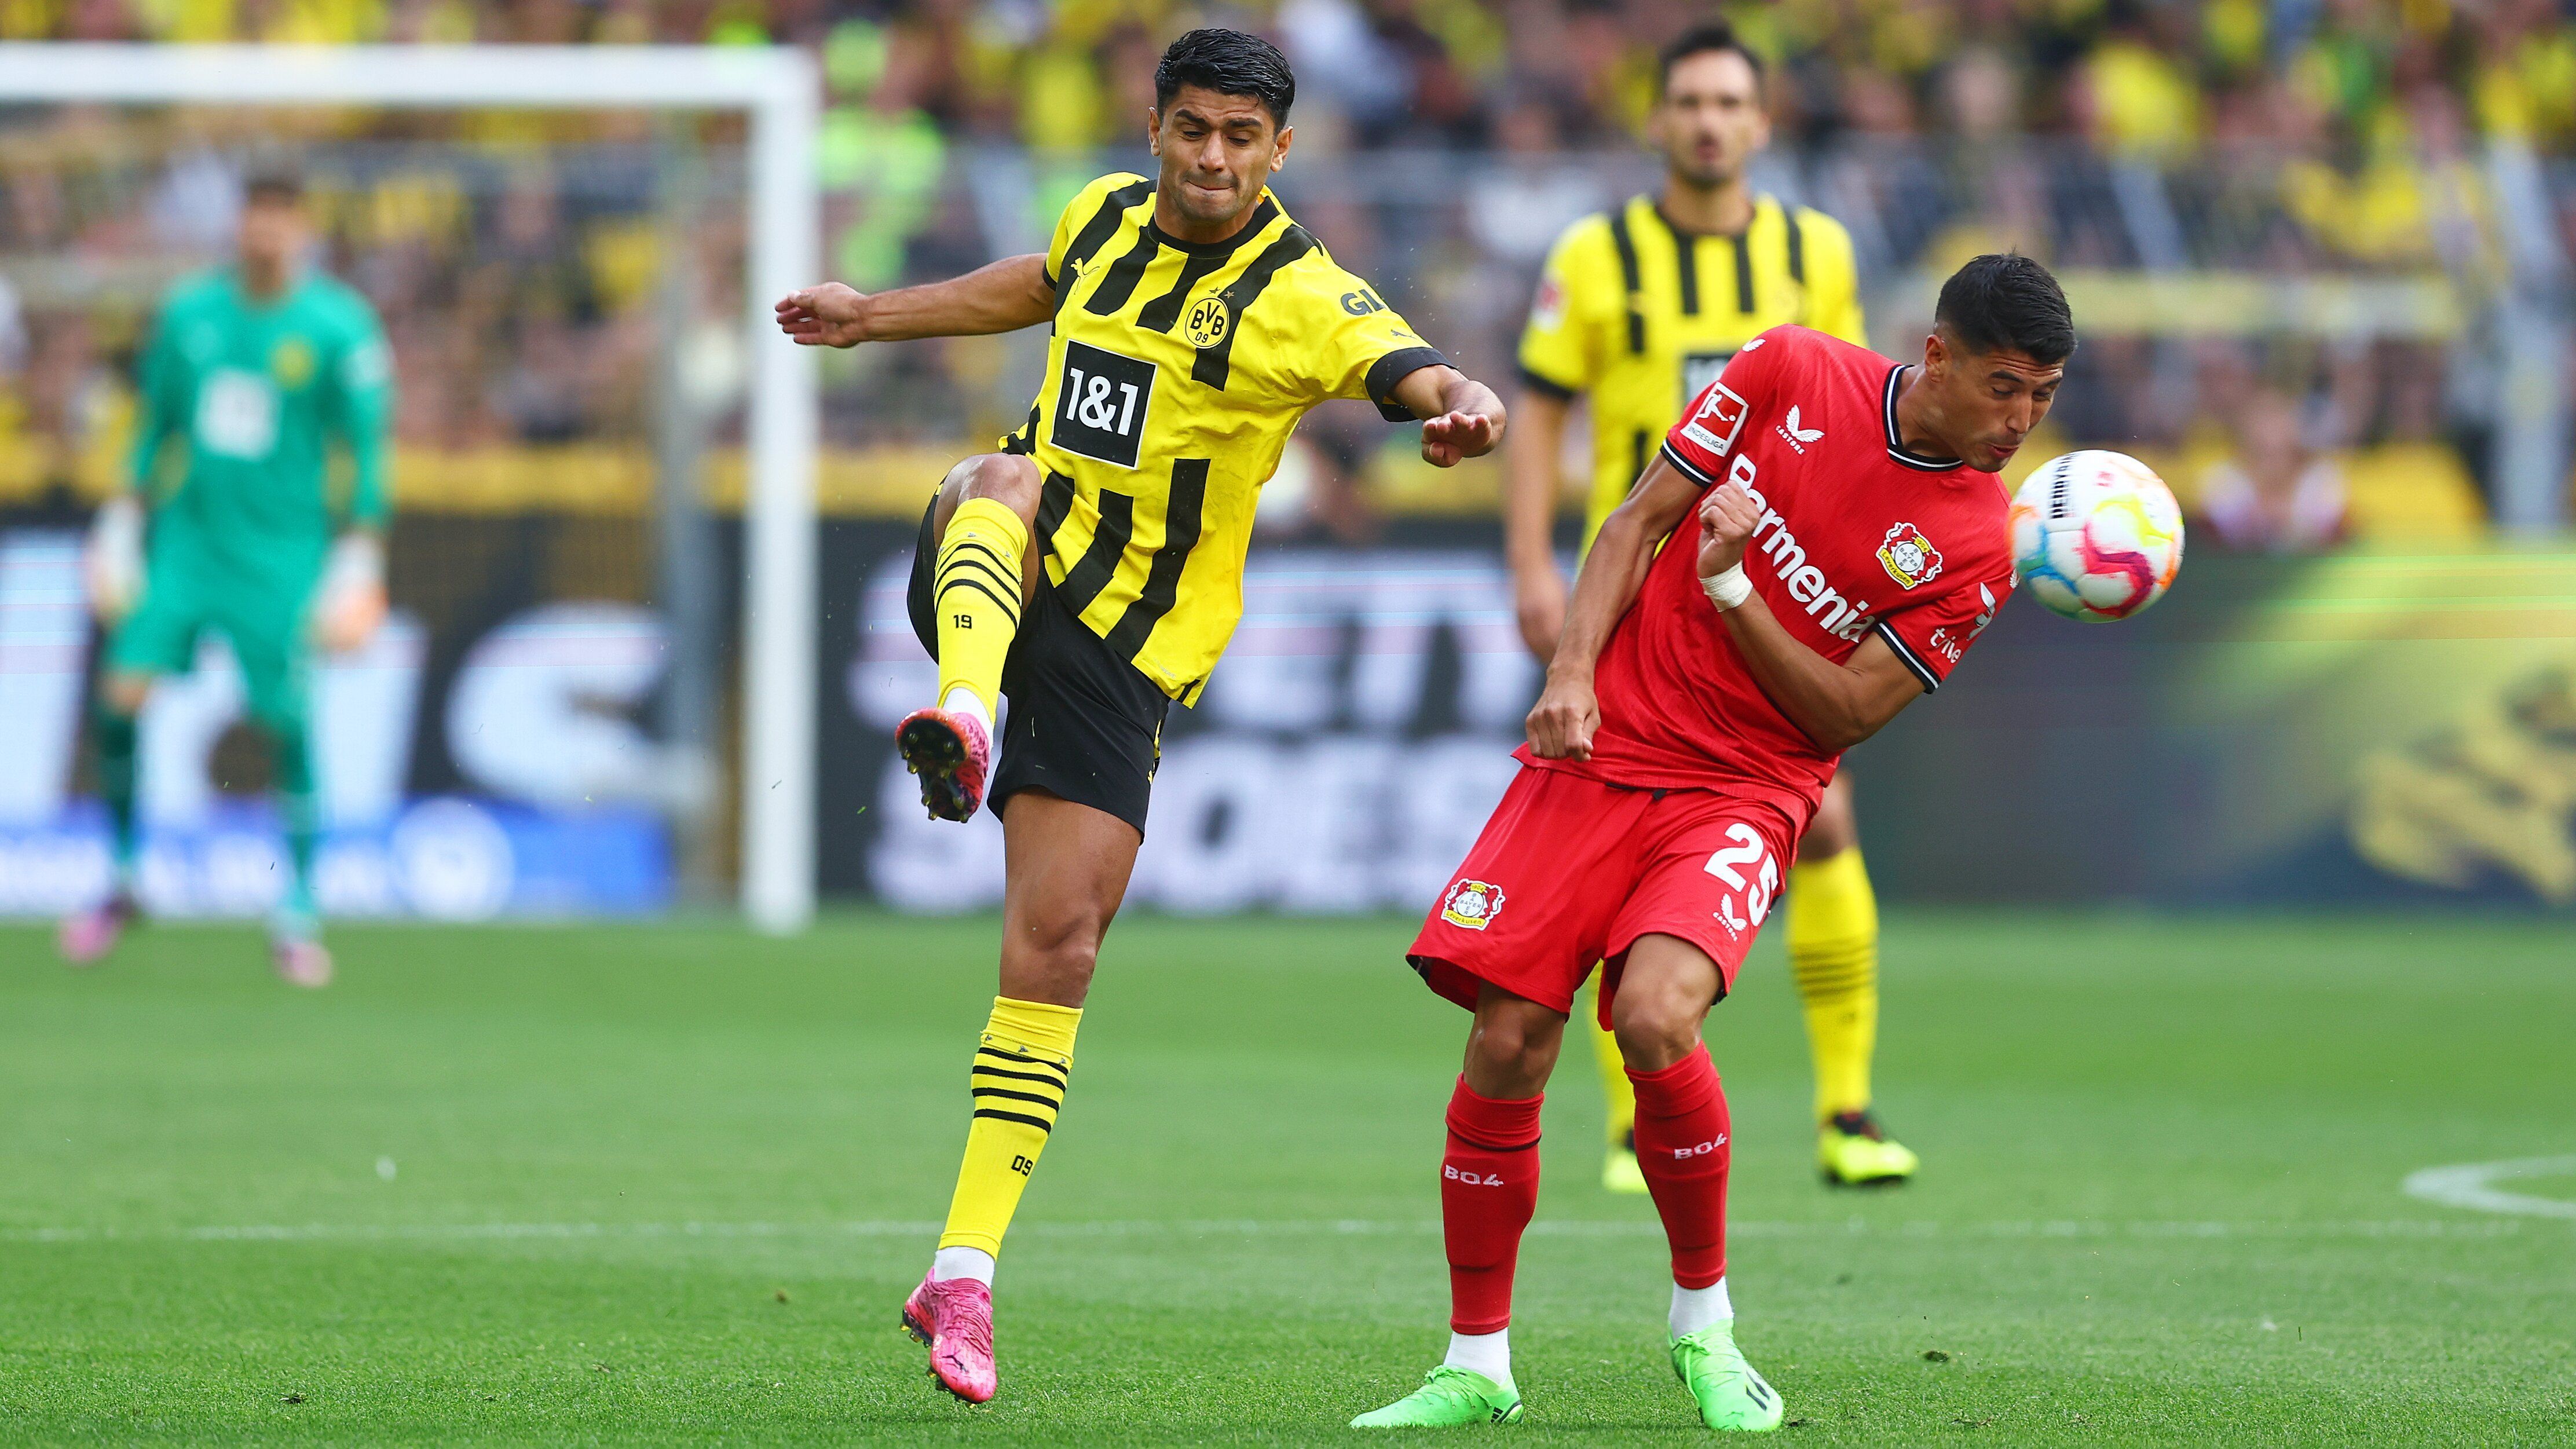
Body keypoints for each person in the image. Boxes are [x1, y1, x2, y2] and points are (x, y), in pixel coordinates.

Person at [774, 28, 1506, 1406]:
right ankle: (965, 711)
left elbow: (1402, 360)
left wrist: (1461, 404)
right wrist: (875, 314)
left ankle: (964, 1273)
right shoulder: (1102, 216)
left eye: (1242, 137)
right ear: (1154, 126)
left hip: (1133, 659)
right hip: (1011, 575)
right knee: (1000, 472)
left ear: (1280, 149)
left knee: (1055, 951)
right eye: (1192, 129)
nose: (1214, 158)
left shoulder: (1299, 291)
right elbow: (1036, 286)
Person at [1354, 255, 2069, 1432]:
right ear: (1935, 354)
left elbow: (1838, 717)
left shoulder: (1980, 545)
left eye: (2043, 395)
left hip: (1744, 786)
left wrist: (1735, 588)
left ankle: (1705, 1327)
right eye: (2005, 387)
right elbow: (1638, 521)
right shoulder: (1788, 368)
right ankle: (1475, 1363)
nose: (2021, 420)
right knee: (1507, 1042)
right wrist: (1571, 673)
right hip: (1601, 749)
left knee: (1654, 1014)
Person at [1507, 21, 1916, 1195]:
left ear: (1760, 123)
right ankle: (1634, 1127)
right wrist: (1535, 563)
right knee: (1608, 843)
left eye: (1728, 102)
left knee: (1827, 823)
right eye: (1686, 100)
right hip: (1638, 586)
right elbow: (1539, 411)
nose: (1705, 120)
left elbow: (1852, 424)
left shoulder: (1813, 251)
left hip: (1769, 585)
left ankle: (1847, 1108)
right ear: (1655, 120)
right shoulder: (1592, 255)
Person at [59, 164, 394, 987]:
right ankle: (128, 875)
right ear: (239, 223)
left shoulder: (339, 328)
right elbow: (155, 428)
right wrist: (122, 518)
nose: (265, 231)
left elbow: (368, 453)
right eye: (256, 215)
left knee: (285, 724)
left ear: (304, 228)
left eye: (282, 217)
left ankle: (299, 908)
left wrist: (362, 557)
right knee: (120, 697)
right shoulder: (188, 314)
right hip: (187, 546)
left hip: (282, 557)